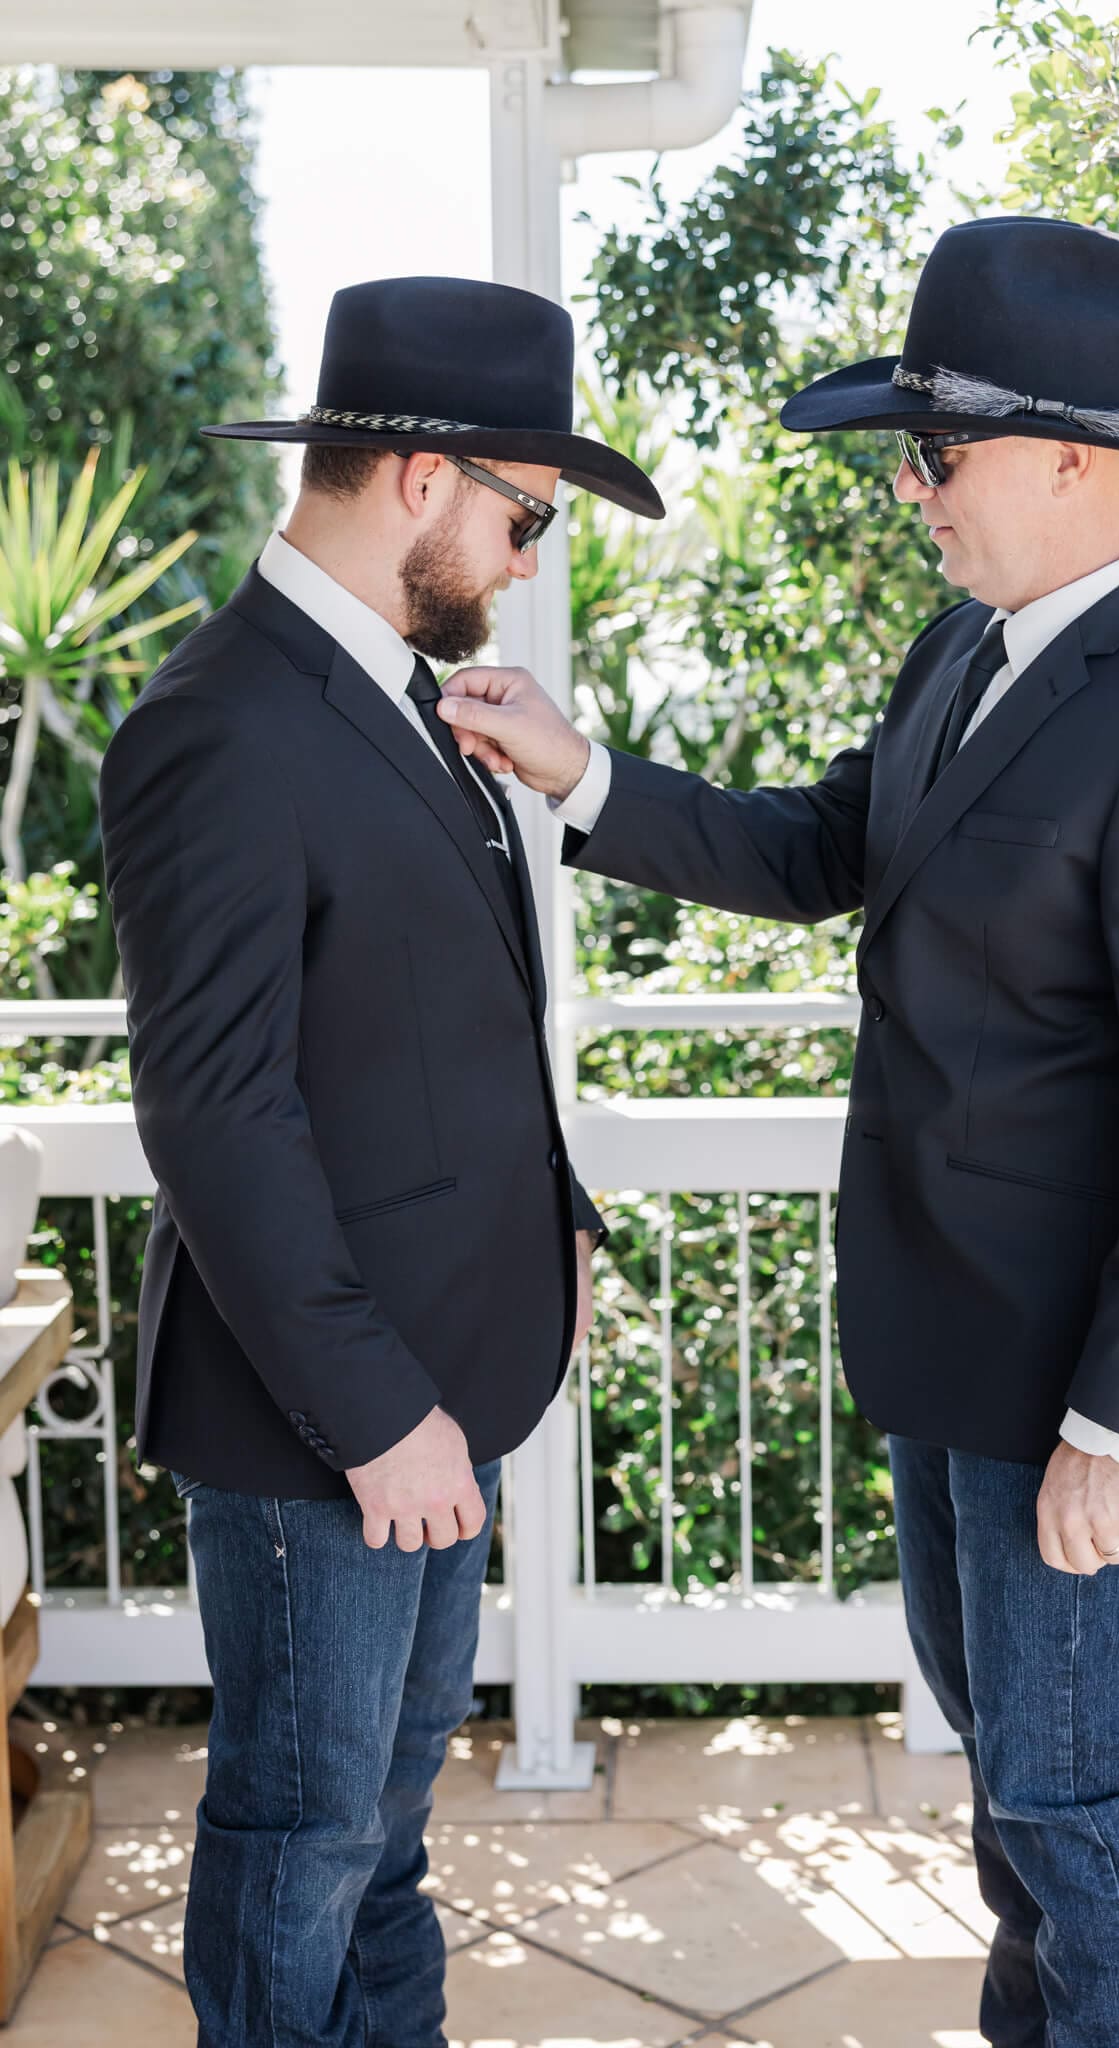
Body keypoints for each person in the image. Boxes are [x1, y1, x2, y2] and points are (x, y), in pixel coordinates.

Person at [433, 217, 1119, 2047]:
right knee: (1013, 1788)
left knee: (1070, 1801)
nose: (911, 488)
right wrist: (577, 771)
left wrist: (1117, 1431)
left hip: (1074, 1383)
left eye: (937, 451)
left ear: (1070, 456)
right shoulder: (965, 652)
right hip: (946, 1340)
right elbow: (825, 849)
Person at [98, 275, 663, 2048]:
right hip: (327, 1422)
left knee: (386, 1832)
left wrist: (557, 1221)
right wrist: (373, 1414)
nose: (526, 561)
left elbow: (430, 1033)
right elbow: (216, 1110)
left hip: (444, 1383)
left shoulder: (408, 698)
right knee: (305, 1835)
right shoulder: (219, 723)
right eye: (526, 516)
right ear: (423, 477)